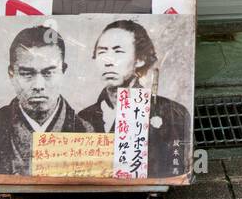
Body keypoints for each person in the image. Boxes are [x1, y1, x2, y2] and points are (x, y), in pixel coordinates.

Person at [79, 20, 193, 179]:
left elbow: (176, 168)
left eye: (118, 52)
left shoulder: (172, 113)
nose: (108, 61)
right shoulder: (83, 117)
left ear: (140, 59)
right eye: (102, 52)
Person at [0, 25, 88, 176]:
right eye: (27, 74)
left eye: (48, 73)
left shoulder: (86, 130)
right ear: (11, 74)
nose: (38, 86)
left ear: (63, 71)